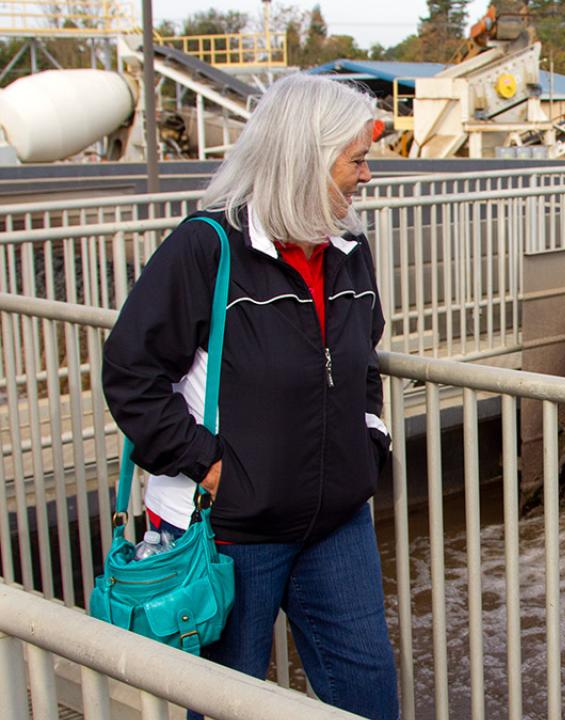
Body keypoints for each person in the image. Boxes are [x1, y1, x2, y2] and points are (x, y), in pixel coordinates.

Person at [102, 73, 398, 719]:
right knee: (223, 702)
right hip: (231, 531)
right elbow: (132, 373)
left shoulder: (349, 250)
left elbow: (362, 363)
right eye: (356, 159)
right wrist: (212, 467)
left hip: (336, 524)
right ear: (306, 160)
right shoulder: (207, 249)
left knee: (370, 698)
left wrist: (369, 437)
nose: (367, 175)